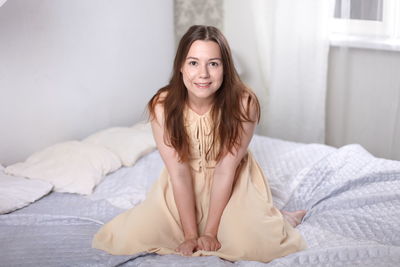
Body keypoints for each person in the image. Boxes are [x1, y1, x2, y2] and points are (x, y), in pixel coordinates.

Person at [92, 25, 307, 262]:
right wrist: (191, 235)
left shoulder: (244, 103)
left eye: (213, 63)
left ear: (225, 68)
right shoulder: (162, 106)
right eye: (194, 63)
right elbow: (179, 172)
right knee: (130, 237)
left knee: (253, 244)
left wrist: (210, 232)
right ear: (181, 67)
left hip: (231, 182)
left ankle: (280, 218)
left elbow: (226, 169)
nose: (203, 74)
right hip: (182, 184)